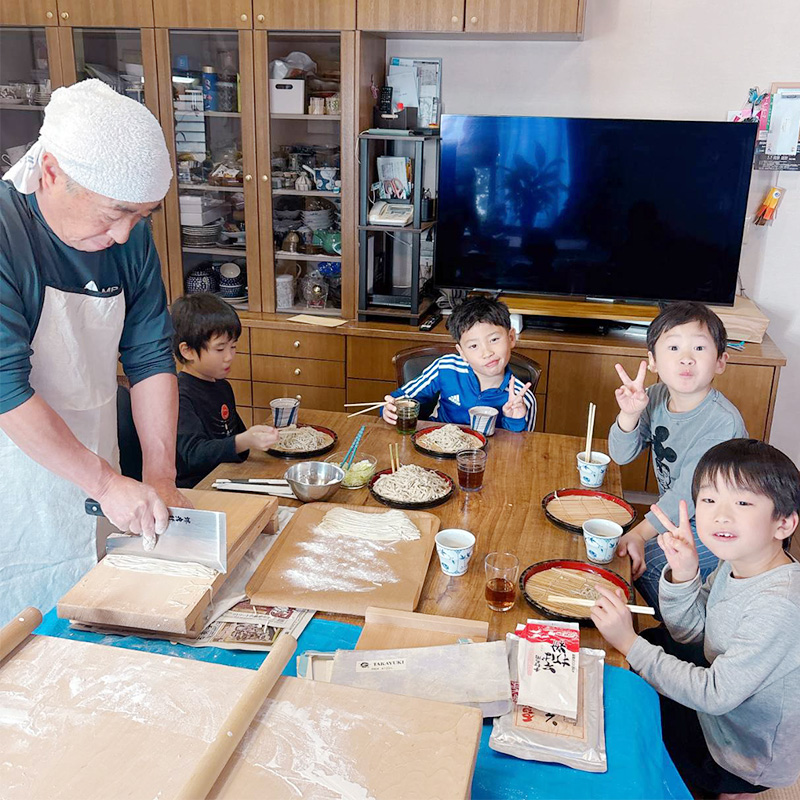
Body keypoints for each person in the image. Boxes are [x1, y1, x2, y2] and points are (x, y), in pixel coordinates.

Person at [0, 79, 187, 625]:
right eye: (113, 214)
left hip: (99, 464)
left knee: (94, 606)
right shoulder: (8, 237)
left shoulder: (127, 239)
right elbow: (6, 389)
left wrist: (160, 475)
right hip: (16, 477)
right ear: (51, 172)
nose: (126, 235)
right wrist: (103, 482)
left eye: (143, 216)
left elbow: (150, 357)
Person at [591, 439, 800, 797]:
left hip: (738, 752)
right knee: (649, 649)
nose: (721, 515)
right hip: (722, 706)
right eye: (709, 499)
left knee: (625, 726)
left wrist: (628, 643)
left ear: (783, 524)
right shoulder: (736, 562)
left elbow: (714, 695)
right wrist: (684, 575)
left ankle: (729, 789)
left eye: (743, 502)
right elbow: (688, 633)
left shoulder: (780, 605)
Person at [608, 301, 746, 610]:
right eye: (673, 348)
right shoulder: (655, 396)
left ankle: (698, 627)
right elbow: (621, 455)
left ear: (720, 361)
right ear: (653, 361)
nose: (686, 358)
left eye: (699, 348)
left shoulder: (723, 421)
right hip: (682, 518)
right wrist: (629, 415)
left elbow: (688, 492)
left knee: (646, 568)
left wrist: (640, 534)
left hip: (721, 524)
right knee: (622, 556)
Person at [382, 297, 536, 431]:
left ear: (511, 338)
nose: (487, 353)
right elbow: (402, 398)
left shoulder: (522, 399)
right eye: (473, 346)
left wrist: (514, 421)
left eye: (494, 339)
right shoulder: (446, 367)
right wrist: (389, 409)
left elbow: (521, 449)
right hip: (438, 445)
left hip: (487, 455)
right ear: (461, 352)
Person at [173, 293, 279, 488]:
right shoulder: (178, 395)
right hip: (197, 489)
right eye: (220, 349)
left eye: (233, 346)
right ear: (187, 351)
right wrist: (243, 441)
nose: (229, 356)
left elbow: (237, 438)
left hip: (225, 477)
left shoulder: (222, 386)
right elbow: (193, 454)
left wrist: (257, 437)